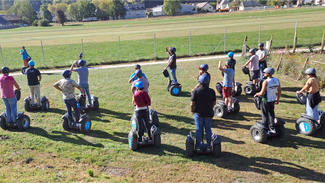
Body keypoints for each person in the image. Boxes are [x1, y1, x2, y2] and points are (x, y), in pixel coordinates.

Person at [191, 74, 216, 151]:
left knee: (198, 129)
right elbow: (214, 103)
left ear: (199, 82)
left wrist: (192, 110)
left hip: (198, 113)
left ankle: (198, 146)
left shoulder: (195, 91)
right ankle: (208, 146)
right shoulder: (212, 91)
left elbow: (192, 104)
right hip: (208, 113)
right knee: (208, 129)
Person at [254, 68, 281, 133]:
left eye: (264, 72)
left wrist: (256, 94)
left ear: (267, 74)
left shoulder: (265, 81)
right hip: (272, 100)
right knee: (271, 114)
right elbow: (279, 91)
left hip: (265, 100)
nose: (263, 74)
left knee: (264, 114)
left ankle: (265, 128)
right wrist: (277, 99)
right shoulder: (277, 80)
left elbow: (262, 93)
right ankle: (272, 128)